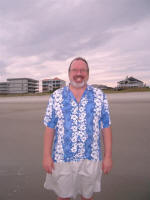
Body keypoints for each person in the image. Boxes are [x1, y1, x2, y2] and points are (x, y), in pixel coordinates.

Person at [43, 57, 112, 200]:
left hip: (91, 157)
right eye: (75, 70)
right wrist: (46, 156)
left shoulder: (100, 96)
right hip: (62, 157)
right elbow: (50, 127)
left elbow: (106, 127)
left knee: (87, 196)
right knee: (63, 197)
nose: (79, 73)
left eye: (83, 70)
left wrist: (108, 157)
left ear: (88, 73)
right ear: (69, 73)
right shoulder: (56, 96)